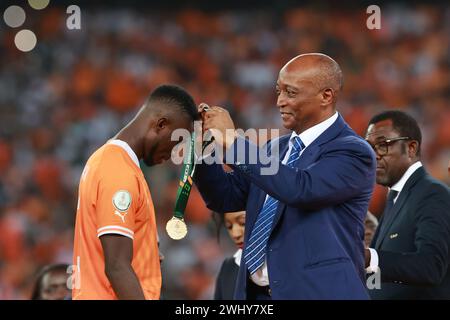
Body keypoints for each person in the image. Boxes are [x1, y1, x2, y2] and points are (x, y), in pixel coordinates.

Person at [194, 53, 376, 299]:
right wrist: (202, 148)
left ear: (326, 96)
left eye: (291, 93)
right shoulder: (273, 149)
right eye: (278, 91)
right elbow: (224, 197)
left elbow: (301, 189)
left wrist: (235, 142)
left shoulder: (352, 150)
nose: (280, 101)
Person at [72, 84, 198, 300]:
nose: (176, 152)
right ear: (160, 124)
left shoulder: (113, 162)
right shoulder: (118, 170)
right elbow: (117, 267)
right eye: (178, 141)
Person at [364, 110, 450, 299]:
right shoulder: (395, 198)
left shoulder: (432, 193)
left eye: (383, 145)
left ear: (411, 148)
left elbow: (431, 267)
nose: (374, 155)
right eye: (369, 147)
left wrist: (370, 257)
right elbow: (378, 284)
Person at [214, 210, 246, 300]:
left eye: (243, 223)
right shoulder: (228, 267)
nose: (235, 234)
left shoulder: (286, 262)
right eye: (229, 226)